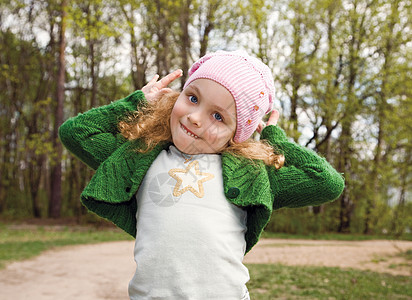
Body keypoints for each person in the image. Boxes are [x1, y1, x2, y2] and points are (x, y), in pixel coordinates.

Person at [59, 51, 344, 299]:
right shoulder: (141, 156)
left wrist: (273, 138)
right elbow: (75, 133)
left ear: (238, 133)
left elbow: (327, 183)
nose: (196, 117)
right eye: (193, 98)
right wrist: (136, 101)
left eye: (218, 116)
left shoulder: (252, 175)